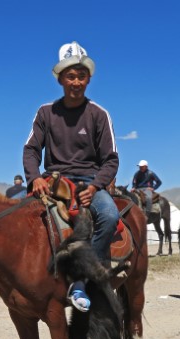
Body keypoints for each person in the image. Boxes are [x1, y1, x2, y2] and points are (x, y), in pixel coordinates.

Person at [23, 41, 120, 312]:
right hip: (52, 180)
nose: (75, 82)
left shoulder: (99, 115)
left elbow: (111, 159)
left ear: (88, 79)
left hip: (89, 180)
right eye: (70, 76)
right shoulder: (45, 113)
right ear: (60, 79)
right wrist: (34, 178)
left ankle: (83, 278)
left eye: (81, 76)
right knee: (15, 216)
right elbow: (31, 150)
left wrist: (97, 185)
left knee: (110, 216)